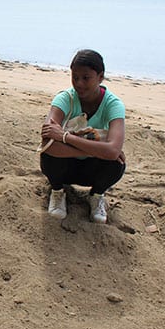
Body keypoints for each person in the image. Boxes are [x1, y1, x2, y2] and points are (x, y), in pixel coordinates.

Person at [39, 49, 126, 223]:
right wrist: (101, 150)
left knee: (117, 164)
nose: (79, 83)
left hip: (92, 170)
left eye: (86, 78)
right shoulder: (65, 99)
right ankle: (57, 192)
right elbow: (48, 142)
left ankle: (96, 195)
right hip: (64, 167)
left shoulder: (113, 105)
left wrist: (65, 137)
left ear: (100, 77)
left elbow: (113, 152)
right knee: (48, 155)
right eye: (75, 77)